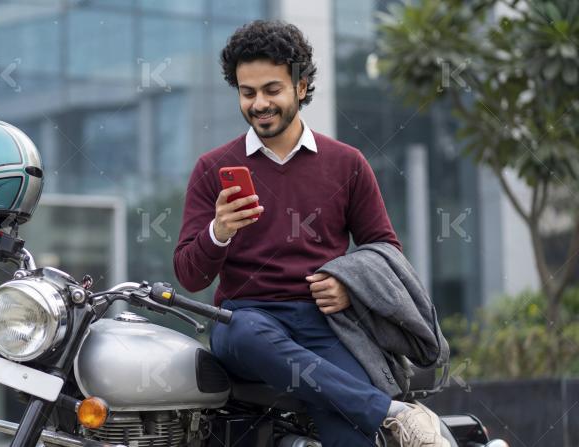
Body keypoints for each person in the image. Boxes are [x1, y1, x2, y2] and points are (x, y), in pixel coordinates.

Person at [173, 20, 449, 447]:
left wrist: (348, 285)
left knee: (350, 433)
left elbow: (384, 249)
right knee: (245, 331)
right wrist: (219, 231)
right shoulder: (212, 168)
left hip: (326, 324)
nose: (259, 104)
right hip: (247, 321)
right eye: (248, 93)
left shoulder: (347, 163)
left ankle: (374, 412)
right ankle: (394, 413)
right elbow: (189, 275)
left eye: (272, 90)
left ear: (301, 87)